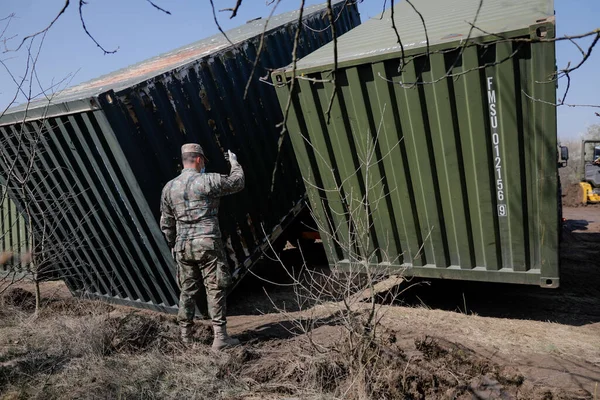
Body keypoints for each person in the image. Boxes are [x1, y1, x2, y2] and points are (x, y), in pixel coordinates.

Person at [160, 143, 245, 350]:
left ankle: (186, 337)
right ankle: (220, 337)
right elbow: (237, 182)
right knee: (214, 287)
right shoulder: (207, 181)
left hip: (183, 246)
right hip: (207, 243)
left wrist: (173, 244)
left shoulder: (169, 188)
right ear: (199, 159)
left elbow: (166, 223)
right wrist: (234, 163)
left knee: (187, 290)